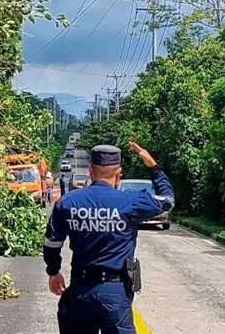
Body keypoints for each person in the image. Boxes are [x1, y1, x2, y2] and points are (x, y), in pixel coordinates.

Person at [42, 142, 174, 334]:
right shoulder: (130, 202)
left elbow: (52, 243)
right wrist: (152, 166)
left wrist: (53, 272)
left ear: (90, 170)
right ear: (118, 173)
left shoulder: (68, 202)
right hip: (115, 293)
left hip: (81, 291)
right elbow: (167, 200)